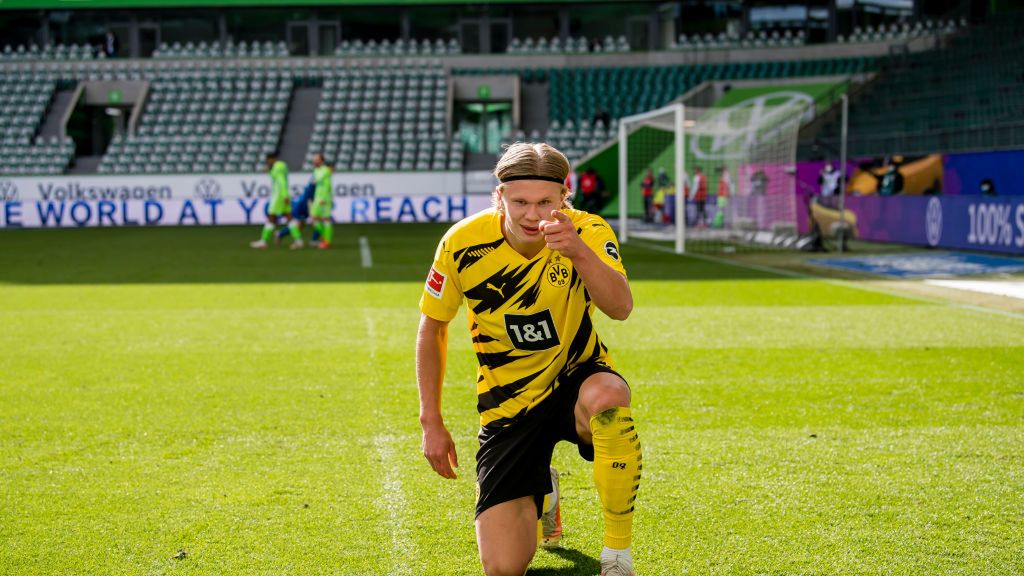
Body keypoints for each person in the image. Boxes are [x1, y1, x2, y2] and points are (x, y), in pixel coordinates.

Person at [417, 142, 643, 576]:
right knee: (504, 568)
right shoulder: (463, 243)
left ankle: (617, 556)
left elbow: (620, 308)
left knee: (610, 397)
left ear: (564, 198)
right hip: (507, 406)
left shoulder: (588, 231)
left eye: (545, 202)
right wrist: (431, 420)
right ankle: (544, 492)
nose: (532, 215)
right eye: (519, 201)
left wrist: (577, 251)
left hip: (574, 380)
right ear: (499, 196)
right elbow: (433, 326)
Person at [250, 153, 290, 249]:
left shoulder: (277, 168)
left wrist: (284, 195)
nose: (267, 162)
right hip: (282, 195)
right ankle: (298, 241)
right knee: (289, 217)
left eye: (267, 160)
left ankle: (264, 241)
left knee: (271, 217)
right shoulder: (281, 167)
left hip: (278, 196)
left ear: (272, 159)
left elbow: (281, 181)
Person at [310, 153, 334, 249]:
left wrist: (324, 198)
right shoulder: (316, 170)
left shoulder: (325, 171)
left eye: (316, 159)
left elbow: (327, 185)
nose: (314, 161)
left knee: (324, 219)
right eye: (314, 159)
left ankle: (327, 241)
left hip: (323, 198)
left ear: (321, 161)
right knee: (316, 218)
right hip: (318, 197)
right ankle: (325, 238)